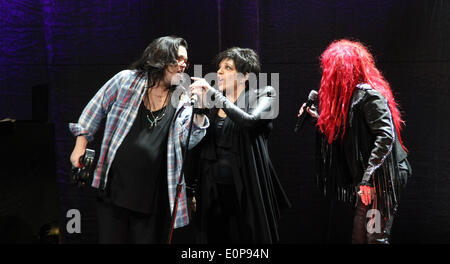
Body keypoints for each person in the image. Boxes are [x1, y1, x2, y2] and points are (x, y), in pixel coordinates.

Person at [68, 36, 209, 243]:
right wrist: (80, 145)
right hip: (114, 188)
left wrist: (201, 110)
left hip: (151, 196)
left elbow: (188, 139)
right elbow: (95, 108)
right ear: (161, 56)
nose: (183, 65)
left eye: (185, 61)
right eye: (178, 59)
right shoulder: (127, 80)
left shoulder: (182, 98)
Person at [298, 39, 412, 244]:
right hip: (370, 176)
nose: (326, 75)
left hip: (383, 176)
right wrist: (316, 119)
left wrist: (369, 179)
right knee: (360, 236)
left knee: (374, 236)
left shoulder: (368, 96)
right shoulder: (349, 98)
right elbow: (347, 132)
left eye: (330, 69)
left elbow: (385, 136)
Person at [188, 47, 291, 244]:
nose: (219, 72)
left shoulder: (265, 95)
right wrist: (191, 189)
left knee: (248, 239)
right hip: (211, 190)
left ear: (245, 76)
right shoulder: (214, 104)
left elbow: (249, 121)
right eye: (219, 67)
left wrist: (213, 93)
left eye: (227, 67)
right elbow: (197, 146)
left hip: (245, 187)